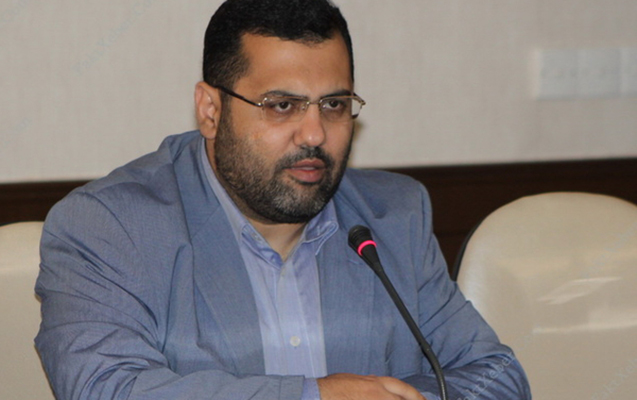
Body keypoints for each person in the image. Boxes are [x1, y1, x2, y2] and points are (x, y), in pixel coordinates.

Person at [35, 0, 532, 399]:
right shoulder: (110, 226)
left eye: (334, 104)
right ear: (210, 110)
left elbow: (497, 377)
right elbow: (107, 388)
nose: (314, 133)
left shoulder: (393, 217)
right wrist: (315, 396)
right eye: (281, 105)